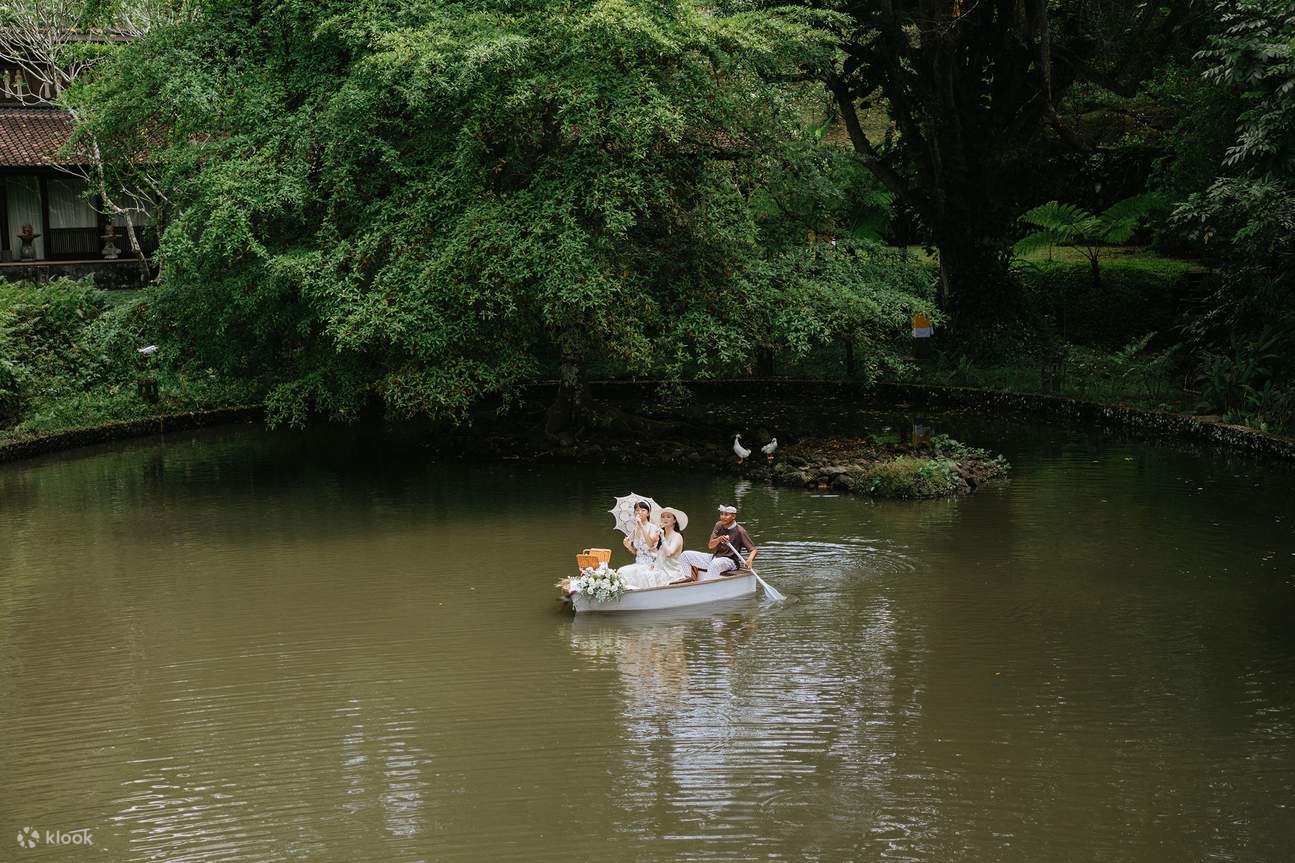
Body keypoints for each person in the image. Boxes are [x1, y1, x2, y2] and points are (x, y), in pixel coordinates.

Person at [679, 505, 757, 582]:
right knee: (685, 555)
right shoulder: (719, 525)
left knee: (715, 563)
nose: (723, 517)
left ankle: (705, 586)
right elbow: (710, 546)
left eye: (726, 515)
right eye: (721, 514)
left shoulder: (740, 531)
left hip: (730, 562)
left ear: (733, 516)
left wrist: (749, 560)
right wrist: (719, 539)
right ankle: (687, 580)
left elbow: (753, 550)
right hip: (715, 558)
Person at [620, 506, 689, 589]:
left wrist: (662, 537)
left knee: (645, 576)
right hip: (660, 569)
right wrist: (629, 546)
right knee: (638, 573)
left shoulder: (677, 536)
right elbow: (656, 554)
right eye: (663, 517)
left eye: (668, 517)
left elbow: (669, 553)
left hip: (671, 572)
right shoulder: (662, 534)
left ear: (674, 520)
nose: (665, 519)